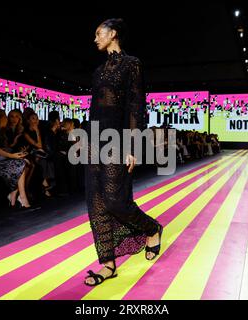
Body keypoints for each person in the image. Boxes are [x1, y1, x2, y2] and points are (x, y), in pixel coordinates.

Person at [83, 18, 163, 287]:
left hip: (118, 139)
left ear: (113, 33)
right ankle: (107, 264)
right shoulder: (97, 71)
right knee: (95, 202)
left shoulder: (132, 64)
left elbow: (135, 105)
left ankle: (152, 229)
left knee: (116, 200)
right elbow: (94, 110)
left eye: (98, 33)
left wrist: (133, 146)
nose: (95, 38)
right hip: (95, 140)